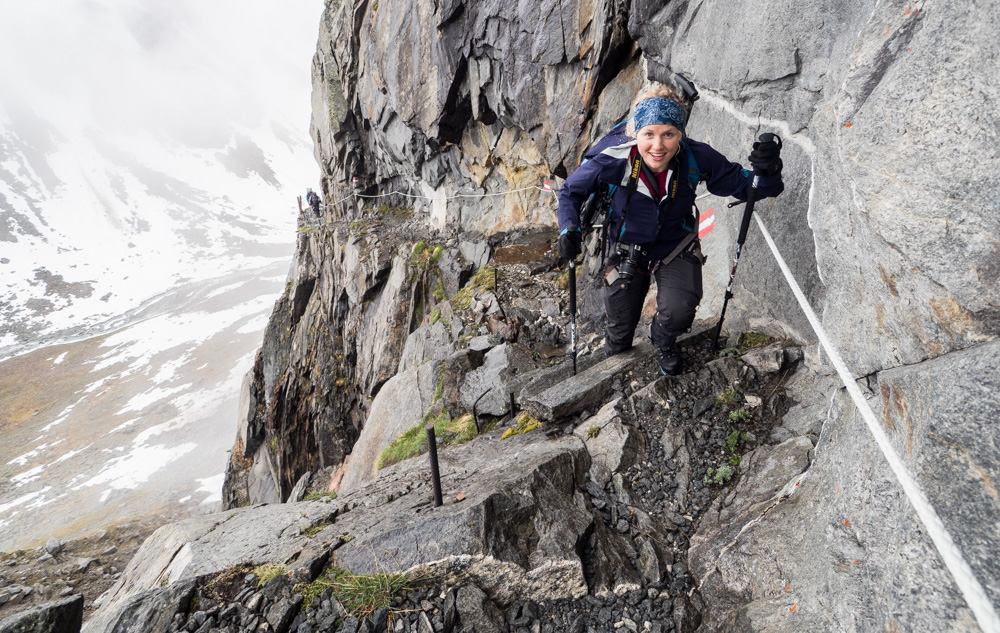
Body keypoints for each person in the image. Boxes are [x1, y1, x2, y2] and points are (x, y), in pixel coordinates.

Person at [556, 83, 784, 375]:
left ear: (680, 135)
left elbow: (749, 187)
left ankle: (663, 340)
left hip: (675, 244)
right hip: (626, 248)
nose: (658, 146)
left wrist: (769, 170)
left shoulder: (696, 157)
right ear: (636, 133)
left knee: (679, 310)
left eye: (668, 134)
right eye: (648, 134)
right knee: (619, 325)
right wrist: (568, 229)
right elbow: (570, 193)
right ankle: (614, 363)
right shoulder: (614, 159)